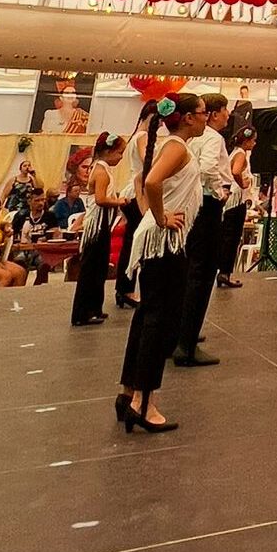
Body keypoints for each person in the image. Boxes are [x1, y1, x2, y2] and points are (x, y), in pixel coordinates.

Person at [117, 93, 207, 434]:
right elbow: (151, 181)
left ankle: (130, 393)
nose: (204, 119)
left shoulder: (173, 146)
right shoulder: (177, 148)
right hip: (164, 242)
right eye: (200, 114)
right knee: (160, 321)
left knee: (147, 316)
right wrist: (160, 216)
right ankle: (144, 401)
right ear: (186, 118)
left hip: (160, 241)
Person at [166, 93, 231, 366]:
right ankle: (187, 343)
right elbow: (207, 169)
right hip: (206, 206)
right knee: (202, 274)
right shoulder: (212, 139)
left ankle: (179, 334)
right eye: (223, 110)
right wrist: (219, 192)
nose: (227, 115)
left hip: (189, 206)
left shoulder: (185, 141)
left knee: (189, 270)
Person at [71, 133, 127, 326]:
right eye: (120, 153)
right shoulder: (101, 171)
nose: (121, 157)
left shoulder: (101, 168)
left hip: (101, 221)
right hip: (98, 222)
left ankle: (94, 307)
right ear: (109, 151)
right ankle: (82, 312)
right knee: (92, 268)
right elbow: (101, 199)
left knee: (99, 266)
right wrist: (119, 201)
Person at [114, 100, 157, 310]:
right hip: (137, 193)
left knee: (131, 241)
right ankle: (127, 288)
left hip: (131, 190)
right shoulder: (143, 136)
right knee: (134, 242)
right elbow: (147, 160)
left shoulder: (135, 136)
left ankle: (124, 288)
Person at [216, 126, 257, 289]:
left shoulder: (234, 153)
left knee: (228, 236)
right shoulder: (241, 154)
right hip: (236, 201)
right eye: (253, 140)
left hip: (232, 201)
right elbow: (235, 171)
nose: (255, 144)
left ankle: (224, 271)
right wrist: (243, 183)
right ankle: (225, 272)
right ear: (247, 140)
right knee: (231, 238)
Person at [10, 186, 58, 283]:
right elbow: (12, 234)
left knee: (44, 263)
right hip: (24, 249)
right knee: (20, 261)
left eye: (42, 200)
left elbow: (55, 233)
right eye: (37, 200)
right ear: (29, 201)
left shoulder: (50, 216)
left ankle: (38, 289)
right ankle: (19, 289)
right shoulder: (21, 216)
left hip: (42, 249)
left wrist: (46, 238)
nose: (41, 203)